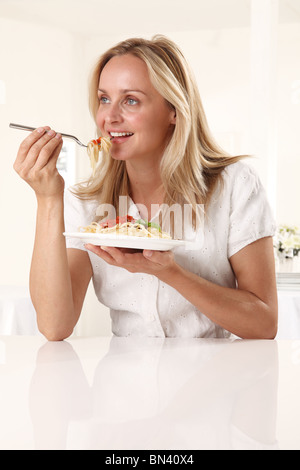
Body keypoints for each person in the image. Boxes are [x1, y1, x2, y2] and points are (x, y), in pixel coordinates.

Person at [13, 35, 278, 341]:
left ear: (174, 110)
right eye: (104, 98)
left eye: (131, 100)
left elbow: (264, 323)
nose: (109, 118)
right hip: (120, 382)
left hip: (213, 378)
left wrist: (168, 271)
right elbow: (54, 325)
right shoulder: (85, 201)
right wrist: (47, 199)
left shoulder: (234, 185)